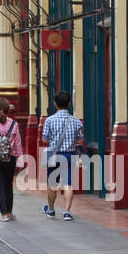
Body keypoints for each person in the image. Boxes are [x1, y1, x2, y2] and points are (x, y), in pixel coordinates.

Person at [40, 91, 84, 222]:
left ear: (55, 104)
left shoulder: (49, 120)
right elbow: (80, 140)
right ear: (69, 104)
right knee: (68, 184)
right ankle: (67, 212)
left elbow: (44, 139)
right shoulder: (76, 121)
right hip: (69, 155)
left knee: (52, 184)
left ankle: (51, 210)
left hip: (53, 155)